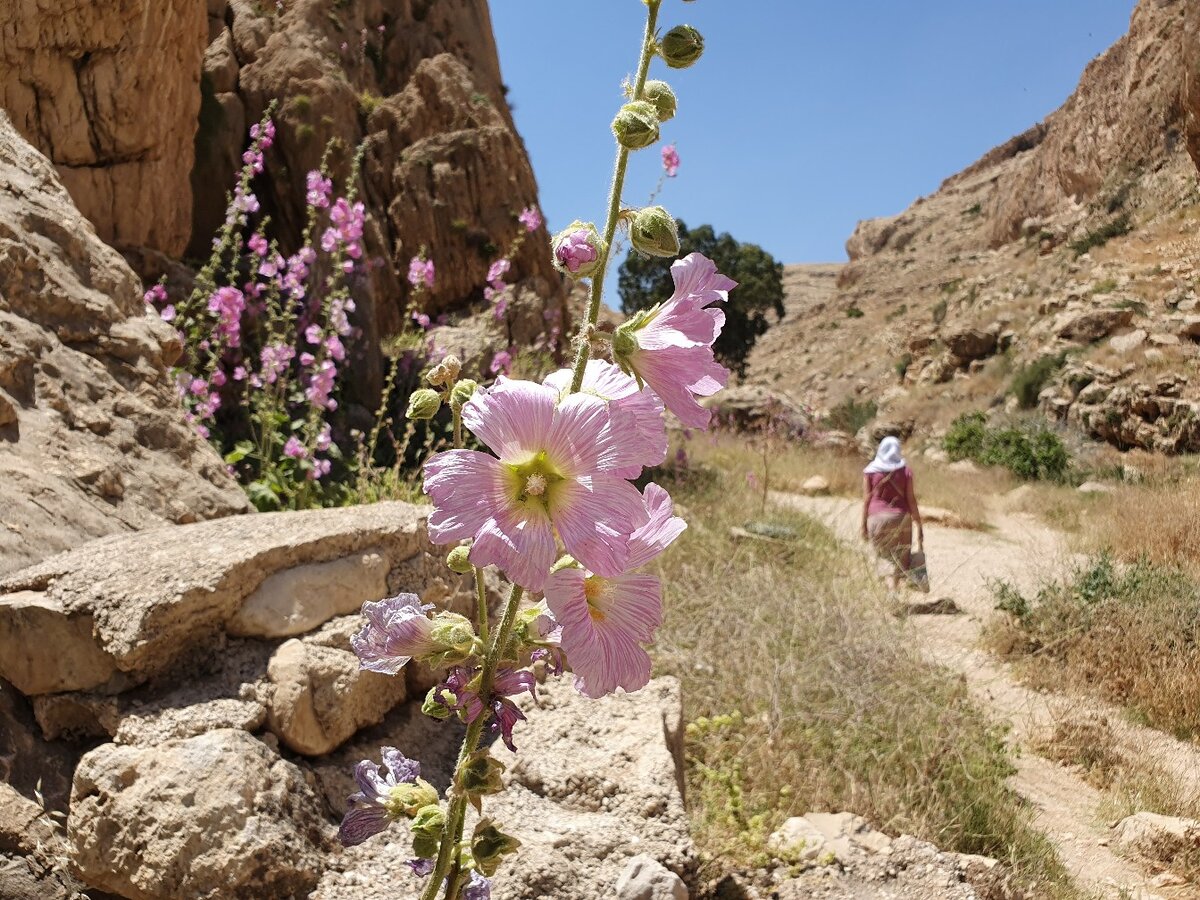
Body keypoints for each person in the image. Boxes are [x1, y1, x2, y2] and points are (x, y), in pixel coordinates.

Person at [860, 436, 923, 590]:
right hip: (902, 518)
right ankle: (894, 590)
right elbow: (911, 499)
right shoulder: (905, 471)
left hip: (877, 518)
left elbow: (867, 499)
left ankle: (890, 593)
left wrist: (863, 526)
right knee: (901, 557)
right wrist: (919, 525)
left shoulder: (870, 472)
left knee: (884, 556)